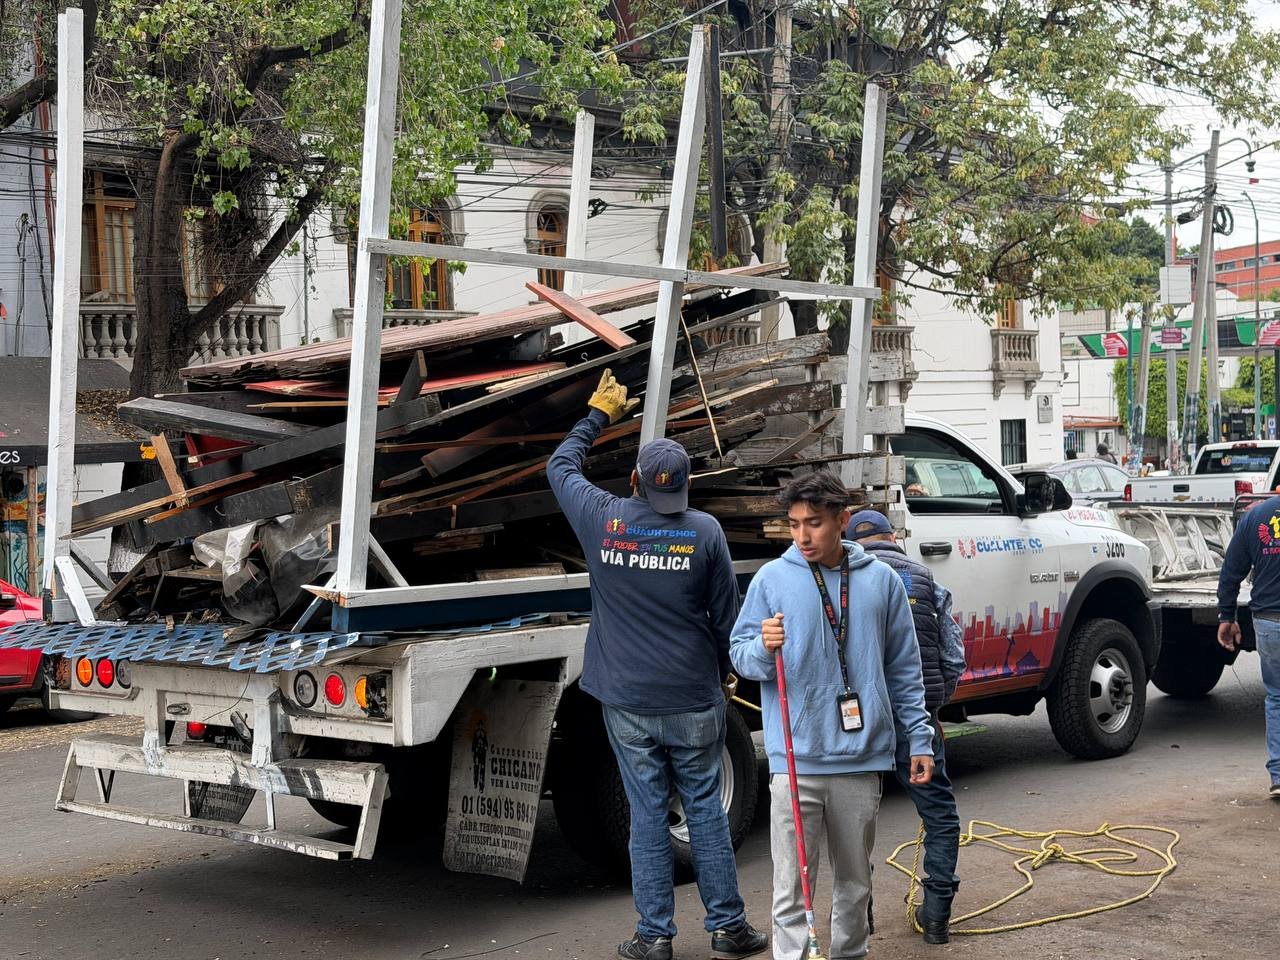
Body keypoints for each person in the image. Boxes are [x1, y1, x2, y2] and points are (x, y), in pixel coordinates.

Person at [548, 369, 768, 960]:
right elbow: (727, 618)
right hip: (694, 697)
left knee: (647, 814)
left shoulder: (605, 520)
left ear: (634, 481)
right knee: (704, 811)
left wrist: (598, 414)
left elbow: (559, 468)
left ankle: (654, 938)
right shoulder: (705, 533)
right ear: (684, 487)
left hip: (625, 699)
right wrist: (725, 672)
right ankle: (728, 929)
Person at [730, 471, 936, 960]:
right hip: (794, 762)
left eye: (815, 524)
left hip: (860, 759)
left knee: (854, 884)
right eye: (795, 523)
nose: (803, 536)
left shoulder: (882, 581)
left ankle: (850, 954)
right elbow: (740, 655)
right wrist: (762, 645)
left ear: (842, 521)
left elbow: (905, 668)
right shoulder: (772, 579)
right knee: (791, 890)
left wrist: (920, 739)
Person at [847, 510, 965, 944]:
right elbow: (953, 655)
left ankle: (861, 920)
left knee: (853, 822)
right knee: (939, 816)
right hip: (919, 720)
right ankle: (935, 919)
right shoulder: (927, 580)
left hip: (857, 721)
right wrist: (936, 701)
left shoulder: (842, 581)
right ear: (893, 537)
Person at [1217, 493, 1280, 800]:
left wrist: (1226, 617)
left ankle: (1279, 775)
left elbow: (1230, 572)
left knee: (1277, 698)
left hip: (1269, 622)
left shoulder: (1254, 517)